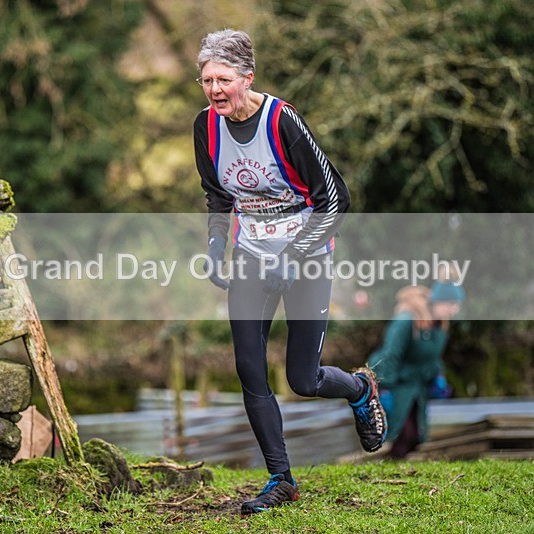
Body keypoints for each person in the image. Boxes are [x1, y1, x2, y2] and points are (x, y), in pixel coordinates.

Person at [193, 29, 387, 515]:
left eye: (223, 79)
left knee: (302, 378)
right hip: (253, 255)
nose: (214, 90)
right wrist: (217, 245)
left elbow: (335, 199)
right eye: (206, 80)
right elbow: (218, 193)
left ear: (247, 77)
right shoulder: (206, 127)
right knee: (248, 368)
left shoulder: (283, 122)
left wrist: (294, 256)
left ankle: (360, 389)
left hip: (309, 250)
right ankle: (281, 479)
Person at [366, 280, 465, 459]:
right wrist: (383, 388)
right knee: (398, 434)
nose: (454, 310)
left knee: (417, 435)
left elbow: (433, 358)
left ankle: (400, 471)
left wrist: (438, 377)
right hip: (396, 384)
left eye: (457, 305)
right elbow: (390, 354)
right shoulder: (407, 320)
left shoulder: (439, 325)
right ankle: (383, 469)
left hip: (416, 388)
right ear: (437, 301)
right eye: (451, 304)